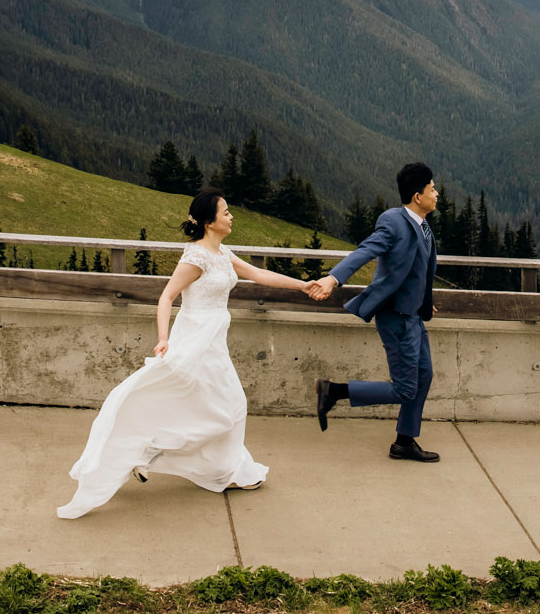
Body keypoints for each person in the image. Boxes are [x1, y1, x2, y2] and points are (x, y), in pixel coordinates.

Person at [57, 187, 314, 518]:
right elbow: (167, 297)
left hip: (214, 338)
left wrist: (303, 285)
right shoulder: (196, 257)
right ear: (209, 222)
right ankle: (179, 459)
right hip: (195, 338)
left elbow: (258, 274)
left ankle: (165, 457)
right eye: (225, 213)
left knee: (215, 406)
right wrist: (163, 338)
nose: (231, 216)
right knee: (227, 407)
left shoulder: (222, 253)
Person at [304, 162, 442, 462]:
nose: (437, 193)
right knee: (406, 389)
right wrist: (332, 278)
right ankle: (334, 391)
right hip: (397, 318)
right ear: (418, 195)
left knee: (425, 374)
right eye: (432, 189)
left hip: (414, 315)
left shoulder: (423, 224)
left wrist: (423, 298)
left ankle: (404, 442)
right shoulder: (393, 222)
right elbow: (365, 250)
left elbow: (417, 269)